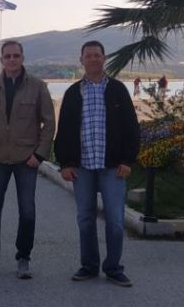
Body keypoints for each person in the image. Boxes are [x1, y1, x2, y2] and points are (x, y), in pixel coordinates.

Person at [54, 40, 140, 287]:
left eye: (97, 55)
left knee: (115, 221)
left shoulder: (117, 90)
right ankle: (89, 266)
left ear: (104, 58)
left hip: (112, 167)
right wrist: (65, 163)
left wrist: (127, 160)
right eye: (88, 55)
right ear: (81, 60)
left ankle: (113, 268)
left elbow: (131, 127)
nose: (93, 59)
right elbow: (64, 131)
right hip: (82, 167)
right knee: (85, 219)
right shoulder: (73, 93)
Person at [0, 40, 55, 279]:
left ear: (22, 58)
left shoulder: (38, 86)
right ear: (1, 59)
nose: (12, 60)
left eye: (16, 55)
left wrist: (39, 154)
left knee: (27, 211)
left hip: (26, 158)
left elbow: (49, 123)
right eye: (7, 56)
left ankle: (23, 258)